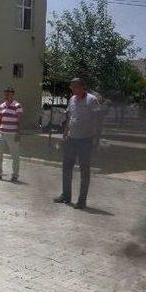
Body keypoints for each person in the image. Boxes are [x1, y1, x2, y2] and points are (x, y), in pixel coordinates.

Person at [54, 78, 103, 209]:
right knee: (66, 167)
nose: (73, 89)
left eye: (75, 87)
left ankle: (82, 200)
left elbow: (98, 122)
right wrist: (64, 136)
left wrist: (96, 140)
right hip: (71, 139)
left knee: (84, 170)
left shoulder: (92, 100)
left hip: (86, 140)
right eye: (72, 87)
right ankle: (66, 195)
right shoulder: (72, 99)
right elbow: (69, 119)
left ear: (82, 87)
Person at [0, 87, 23, 181]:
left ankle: (15, 175)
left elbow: (19, 120)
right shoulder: (2, 106)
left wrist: (18, 132)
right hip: (1, 133)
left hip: (13, 133)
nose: (6, 95)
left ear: (12, 94)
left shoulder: (17, 105)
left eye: (8, 93)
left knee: (15, 155)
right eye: (5, 93)